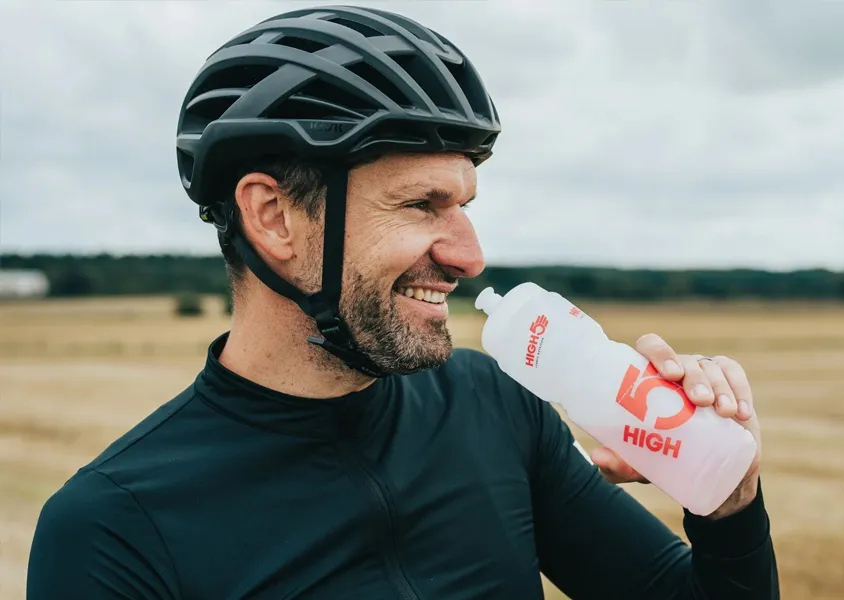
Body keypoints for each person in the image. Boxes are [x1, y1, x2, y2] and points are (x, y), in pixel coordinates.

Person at [26, 6, 779, 599]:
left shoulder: (493, 405)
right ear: (274, 216)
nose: (469, 254)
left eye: (465, 205)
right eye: (422, 204)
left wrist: (728, 503)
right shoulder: (114, 528)